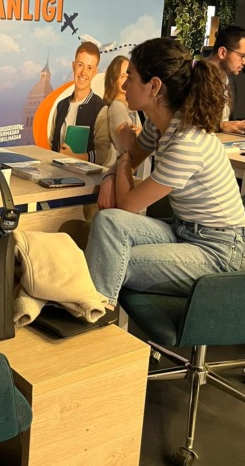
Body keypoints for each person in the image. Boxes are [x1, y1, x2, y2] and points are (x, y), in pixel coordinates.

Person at [85, 37, 245, 309]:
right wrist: (112, 176)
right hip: (182, 229)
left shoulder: (186, 143)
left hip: (219, 250)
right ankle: (93, 310)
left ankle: (94, 316)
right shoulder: (160, 124)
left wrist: (124, 155)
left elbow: (128, 203)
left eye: (130, 77)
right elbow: (129, 164)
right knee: (108, 222)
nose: (124, 86)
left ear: (155, 86)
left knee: (112, 260)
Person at [49, 41, 111, 165]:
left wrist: (75, 157)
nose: (83, 72)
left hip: (83, 176)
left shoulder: (100, 109)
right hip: (56, 173)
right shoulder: (60, 106)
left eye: (89, 68)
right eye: (80, 65)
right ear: (73, 66)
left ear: (95, 72)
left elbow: (103, 153)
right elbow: (52, 144)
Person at [206, 24, 245, 134]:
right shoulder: (193, 76)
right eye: (242, 56)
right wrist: (221, 125)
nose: (244, 62)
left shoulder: (229, 81)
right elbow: (184, 121)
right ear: (222, 52)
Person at [103, 55, 142, 154]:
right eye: (122, 76)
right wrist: (143, 133)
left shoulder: (133, 104)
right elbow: (128, 139)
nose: (127, 80)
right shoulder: (116, 106)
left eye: (129, 75)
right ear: (113, 81)